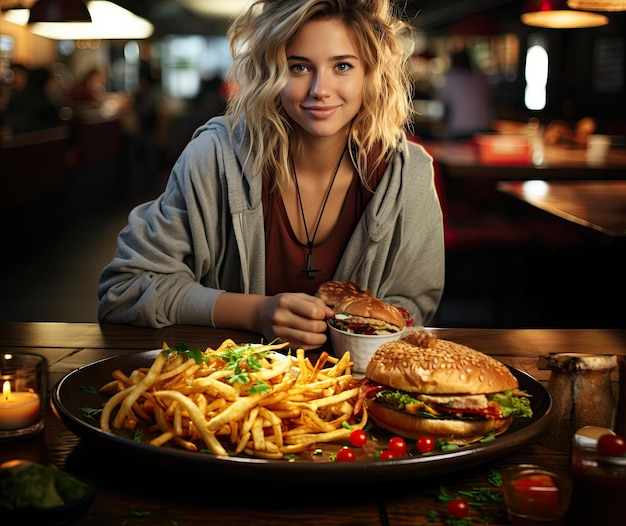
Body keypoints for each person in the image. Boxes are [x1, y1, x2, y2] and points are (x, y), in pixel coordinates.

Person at [97, 0, 445, 351]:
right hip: (228, 392)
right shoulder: (215, 157)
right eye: (299, 67)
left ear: (371, 73)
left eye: (342, 66)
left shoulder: (407, 174)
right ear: (270, 73)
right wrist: (255, 312)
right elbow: (125, 288)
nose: (320, 89)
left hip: (359, 395)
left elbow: (413, 306)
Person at [434, 48, 494, 140]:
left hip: (460, 131)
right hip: (485, 131)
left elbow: (439, 99)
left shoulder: (452, 77)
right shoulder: (481, 78)